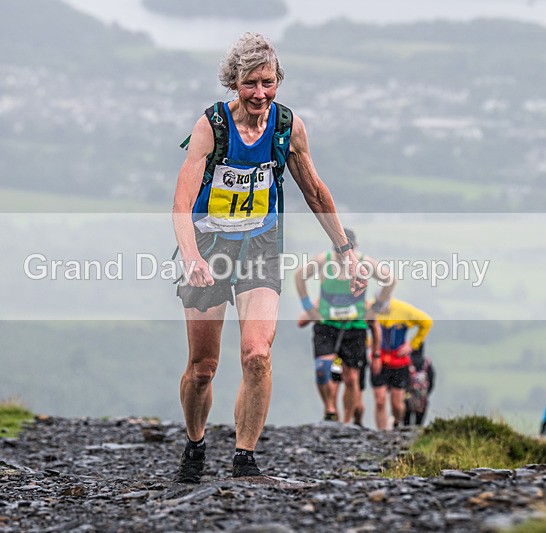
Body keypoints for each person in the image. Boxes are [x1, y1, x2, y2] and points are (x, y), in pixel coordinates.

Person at [172, 33, 368, 483]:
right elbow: (181, 203)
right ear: (233, 84)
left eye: (268, 82)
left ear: (278, 80)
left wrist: (347, 252)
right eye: (249, 84)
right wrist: (190, 257)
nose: (260, 93)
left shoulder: (287, 127)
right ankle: (196, 443)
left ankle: (245, 458)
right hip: (209, 246)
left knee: (257, 354)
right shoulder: (211, 127)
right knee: (203, 367)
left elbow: (315, 192)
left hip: (261, 244)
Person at [295, 229, 393, 424]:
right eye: (338, 250)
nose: (342, 256)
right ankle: (330, 408)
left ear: (354, 247)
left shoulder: (363, 262)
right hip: (327, 324)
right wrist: (308, 306)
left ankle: (346, 422)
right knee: (323, 368)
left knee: (351, 377)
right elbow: (299, 276)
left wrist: (375, 308)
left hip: (354, 326)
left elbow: (389, 279)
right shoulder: (324, 260)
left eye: (346, 250)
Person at [371, 298, 433, 430]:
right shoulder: (370, 307)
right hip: (379, 360)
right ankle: (382, 433)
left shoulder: (403, 310)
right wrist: (368, 344)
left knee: (397, 404)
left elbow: (426, 322)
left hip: (399, 362)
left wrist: (412, 345)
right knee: (380, 400)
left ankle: (396, 423)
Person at [403, 346, 435, 426]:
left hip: (407, 396)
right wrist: (427, 393)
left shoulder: (407, 361)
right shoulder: (427, 363)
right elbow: (431, 380)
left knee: (406, 423)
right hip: (422, 398)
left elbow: (401, 378)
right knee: (418, 425)